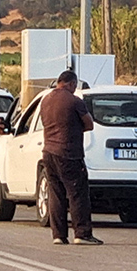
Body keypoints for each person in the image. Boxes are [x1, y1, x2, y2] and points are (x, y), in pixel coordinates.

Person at [40, 69, 101, 246]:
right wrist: (73, 128)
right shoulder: (74, 101)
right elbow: (89, 124)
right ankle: (82, 233)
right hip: (68, 153)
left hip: (48, 151)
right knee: (77, 194)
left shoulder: (46, 100)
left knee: (56, 194)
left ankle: (58, 235)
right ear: (72, 84)